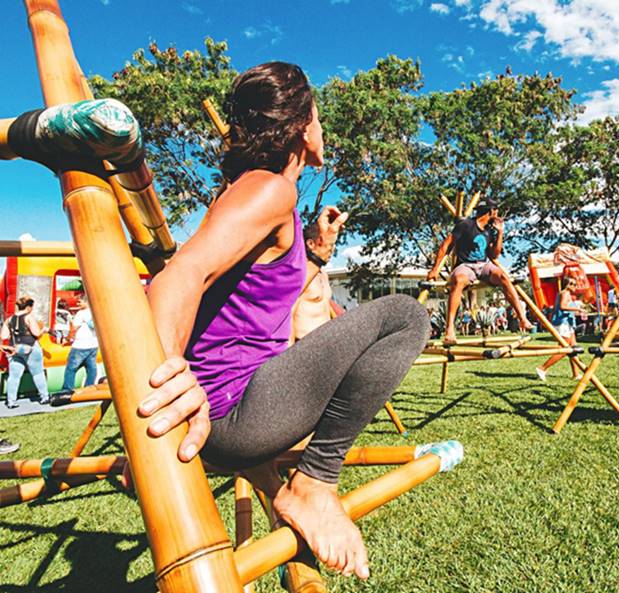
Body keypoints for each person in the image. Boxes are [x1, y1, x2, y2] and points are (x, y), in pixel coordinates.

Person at [138, 62, 429, 580]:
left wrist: (316, 253)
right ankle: (315, 484)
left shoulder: (265, 198)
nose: (323, 128)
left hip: (240, 422)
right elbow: (178, 275)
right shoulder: (269, 190)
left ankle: (289, 486)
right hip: (233, 416)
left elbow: (256, 303)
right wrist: (169, 370)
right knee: (405, 316)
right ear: (300, 123)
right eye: (318, 115)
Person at [427, 198, 533, 345]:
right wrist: (434, 270)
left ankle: (522, 318)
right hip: (465, 265)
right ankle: (449, 328)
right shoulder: (465, 225)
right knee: (458, 281)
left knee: (503, 276)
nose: (497, 213)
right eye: (496, 210)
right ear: (491, 211)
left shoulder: (490, 230)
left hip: (483, 265)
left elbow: (494, 255)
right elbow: (446, 246)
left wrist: (500, 232)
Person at [288, 222, 342, 344]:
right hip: (304, 345)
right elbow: (288, 313)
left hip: (326, 345)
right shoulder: (300, 275)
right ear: (310, 244)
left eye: (333, 245)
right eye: (329, 244)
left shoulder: (323, 275)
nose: (332, 249)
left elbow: (326, 306)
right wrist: (289, 357)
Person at [0, 296, 50, 407]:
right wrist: (44, 330)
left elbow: (4, 335)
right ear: (28, 307)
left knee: (14, 376)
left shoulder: (9, 319)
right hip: (30, 347)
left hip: (15, 349)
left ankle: (11, 401)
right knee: (37, 373)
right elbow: (36, 333)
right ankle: (44, 397)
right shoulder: (29, 317)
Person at [536, 277, 584, 381]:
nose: (576, 286)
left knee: (573, 348)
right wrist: (578, 309)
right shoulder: (565, 293)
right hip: (563, 324)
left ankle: (576, 374)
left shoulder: (562, 294)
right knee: (564, 349)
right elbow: (562, 307)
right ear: (568, 284)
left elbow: (555, 309)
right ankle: (542, 368)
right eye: (574, 284)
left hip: (568, 323)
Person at [61, 293, 99, 392]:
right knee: (91, 368)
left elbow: (74, 328)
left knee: (71, 368)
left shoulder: (81, 313)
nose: (77, 304)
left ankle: (67, 389)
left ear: (86, 301)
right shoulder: (96, 312)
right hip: (93, 344)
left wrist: (68, 338)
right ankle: (89, 387)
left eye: (79, 301)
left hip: (80, 345)